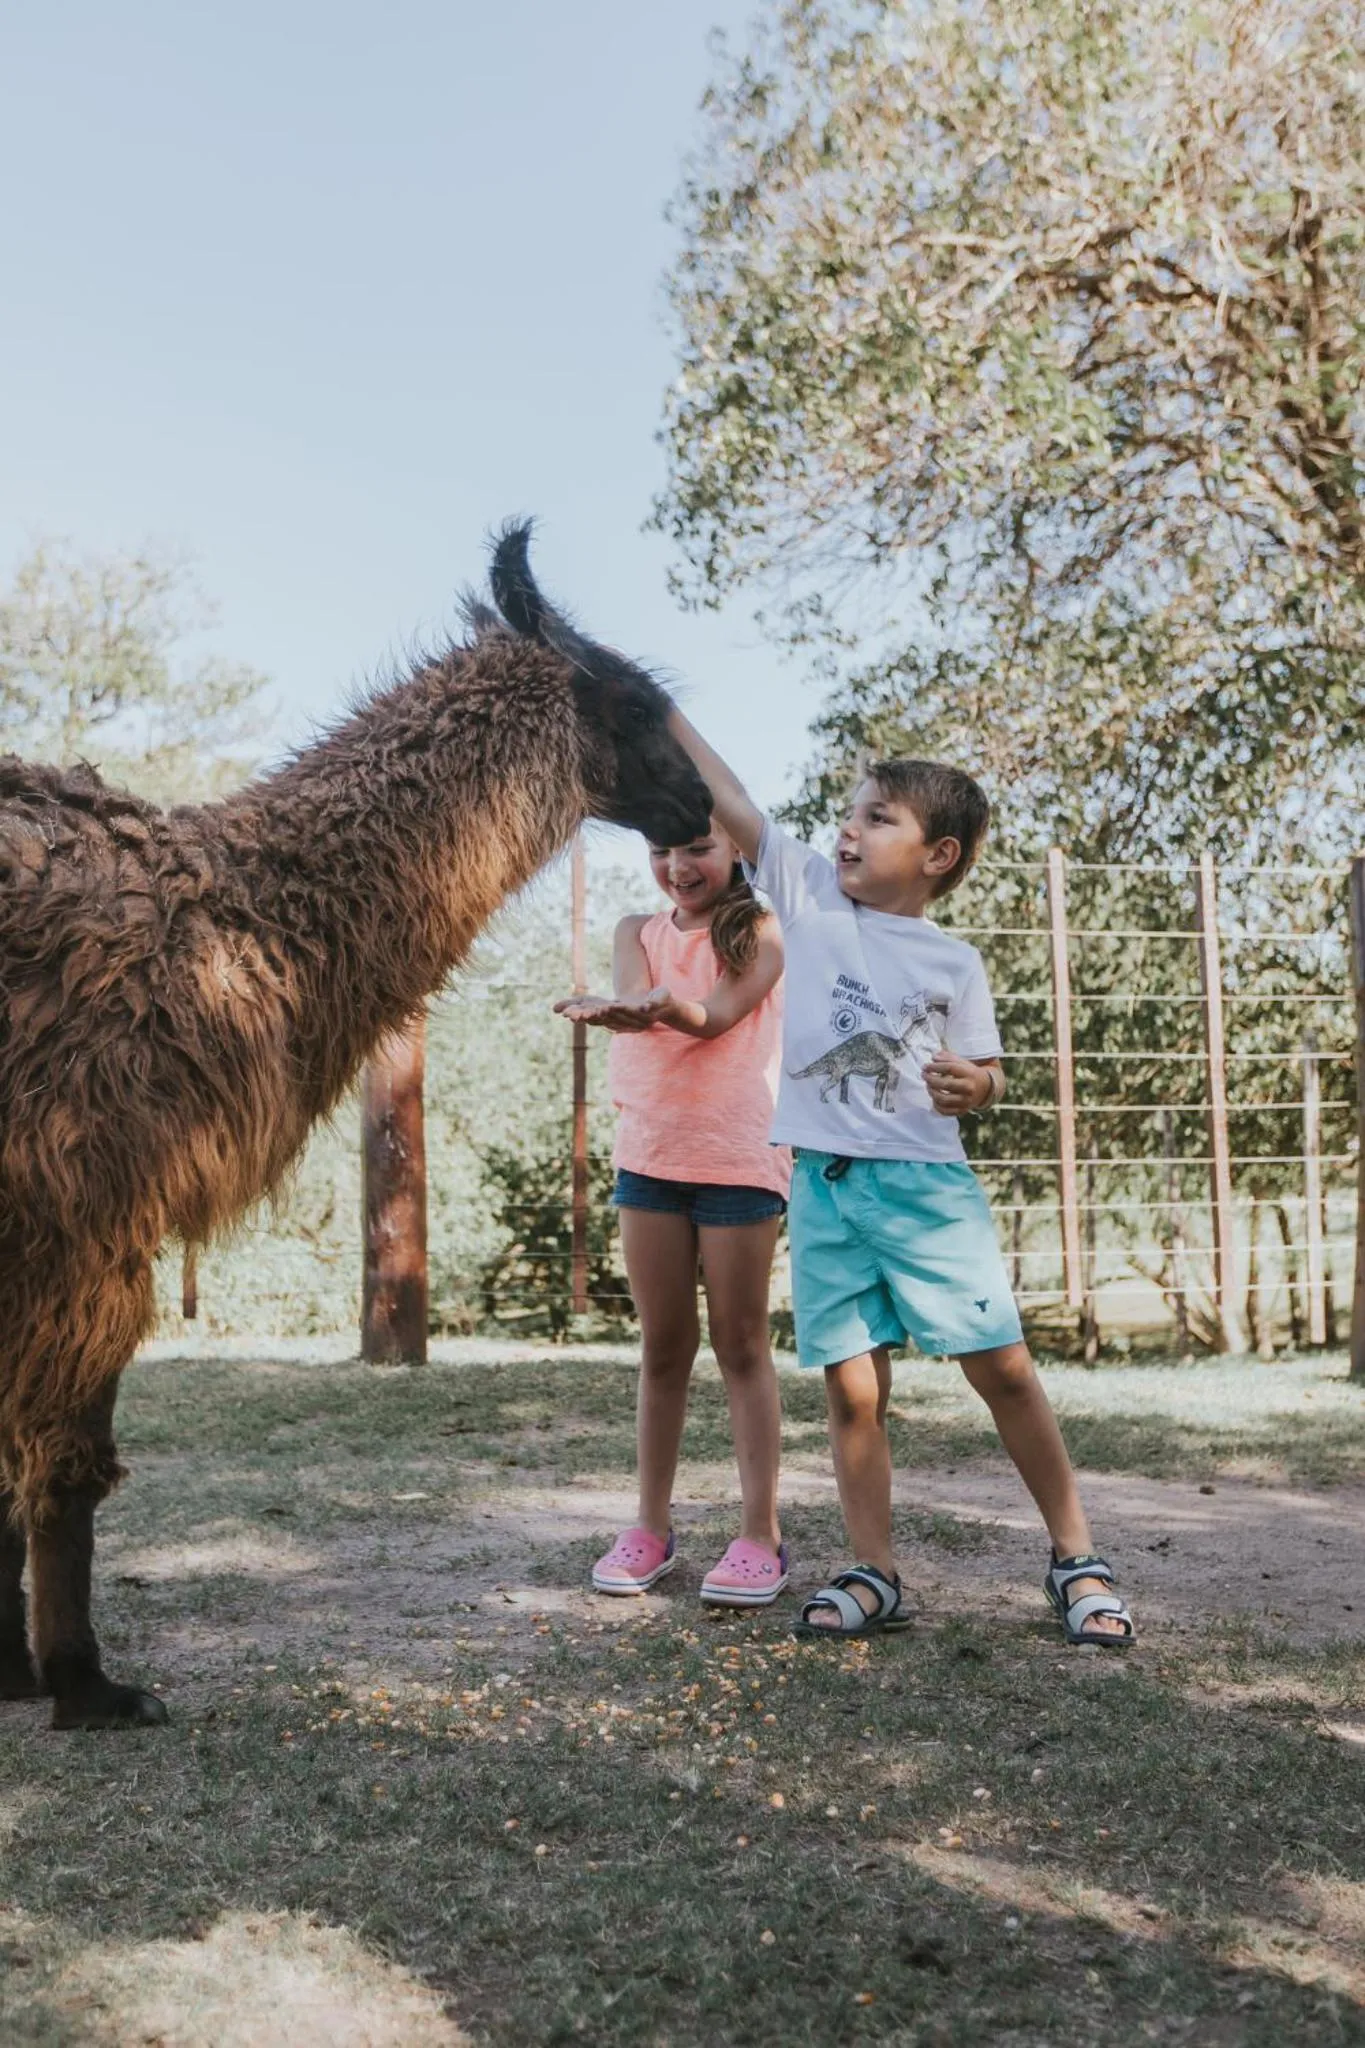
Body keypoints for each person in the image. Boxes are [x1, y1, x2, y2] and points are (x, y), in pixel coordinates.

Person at [661, 713, 1135, 1646]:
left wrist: (978, 1086)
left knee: (1001, 1371)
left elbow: (987, 1069)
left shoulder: (954, 961)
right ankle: (872, 1571)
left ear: (936, 855)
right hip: (824, 1191)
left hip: (925, 1194)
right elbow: (733, 801)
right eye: (850, 813)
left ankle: (1076, 1558)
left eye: (877, 817)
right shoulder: (807, 898)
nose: (848, 828)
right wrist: (660, 711)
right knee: (852, 1393)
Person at [554, 819, 792, 1607]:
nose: (676, 865)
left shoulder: (761, 930)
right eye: (661, 850)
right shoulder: (636, 929)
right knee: (662, 1348)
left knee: (740, 1345)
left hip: (737, 1160)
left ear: (735, 852)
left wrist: (658, 1006)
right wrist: (629, 1007)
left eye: (695, 848)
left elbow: (716, 1015)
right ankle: (648, 1528)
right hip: (649, 1158)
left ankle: (760, 1536)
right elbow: (634, 996)